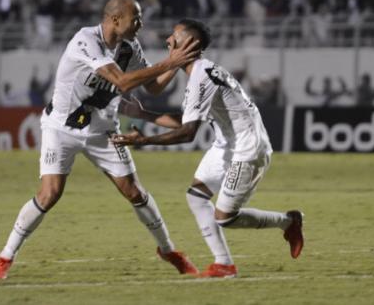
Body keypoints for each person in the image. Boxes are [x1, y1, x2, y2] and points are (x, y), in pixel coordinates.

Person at [0, 0, 201, 279]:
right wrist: (169, 61)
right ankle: (6, 255)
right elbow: (121, 81)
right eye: (136, 18)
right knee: (50, 194)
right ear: (116, 19)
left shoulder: (130, 47)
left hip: (103, 130)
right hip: (61, 128)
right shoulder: (84, 41)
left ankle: (168, 250)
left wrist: (176, 62)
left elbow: (153, 87)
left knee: (135, 192)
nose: (140, 23)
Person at [112, 19, 304, 278]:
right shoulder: (200, 72)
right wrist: (143, 114)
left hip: (247, 148)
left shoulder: (201, 76)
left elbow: (187, 134)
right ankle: (223, 264)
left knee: (225, 217)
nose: (168, 40)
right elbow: (185, 122)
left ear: (190, 43)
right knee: (196, 196)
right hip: (227, 143)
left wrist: (143, 141)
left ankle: (288, 221)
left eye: (174, 36)